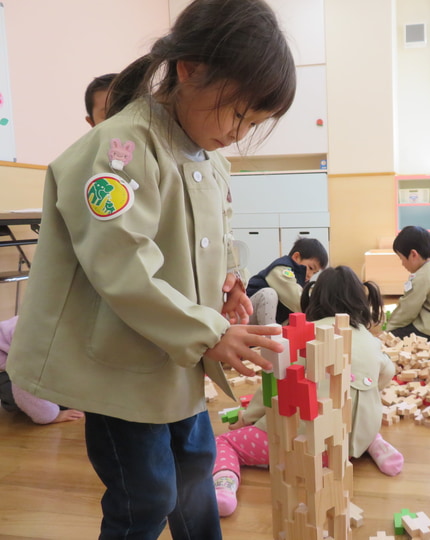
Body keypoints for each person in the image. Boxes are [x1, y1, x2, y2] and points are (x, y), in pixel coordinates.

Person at [6, 1, 296, 538]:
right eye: (238, 114)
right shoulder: (119, 150)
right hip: (120, 368)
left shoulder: (210, 155)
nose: (238, 132)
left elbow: (216, 232)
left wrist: (229, 282)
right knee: (146, 495)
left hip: (178, 362)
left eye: (253, 123)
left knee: (193, 473)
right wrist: (211, 331)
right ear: (189, 69)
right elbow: (122, 263)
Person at [213, 266, 402, 516]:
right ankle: (373, 443)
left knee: (223, 443)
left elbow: (272, 388)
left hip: (301, 446)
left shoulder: (300, 335)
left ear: (314, 297)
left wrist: (247, 418)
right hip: (346, 443)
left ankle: (225, 486)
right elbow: (387, 373)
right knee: (355, 411)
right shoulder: (370, 339)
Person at [0, 316, 84, 424]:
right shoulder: (37, 340)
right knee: (19, 395)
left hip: (16, 356)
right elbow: (25, 382)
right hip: (13, 366)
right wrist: (52, 416)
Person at [245, 237, 329, 325]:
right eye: (310, 268)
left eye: (314, 273)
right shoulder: (281, 269)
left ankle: (275, 334)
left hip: (265, 319)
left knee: (296, 316)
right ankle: (270, 336)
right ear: (296, 257)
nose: (310, 275)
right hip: (246, 313)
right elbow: (297, 300)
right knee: (269, 294)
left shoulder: (300, 279)